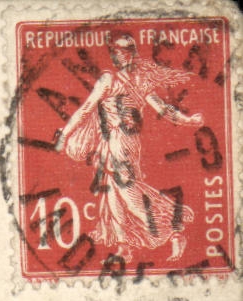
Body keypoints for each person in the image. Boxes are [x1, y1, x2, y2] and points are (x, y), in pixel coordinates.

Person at [54, 34, 204, 259]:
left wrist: (64, 134)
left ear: (130, 54)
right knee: (112, 194)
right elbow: (163, 109)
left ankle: (173, 232)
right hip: (118, 143)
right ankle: (124, 248)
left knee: (129, 195)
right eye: (114, 51)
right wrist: (188, 120)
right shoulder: (138, 81)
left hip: (120, 144)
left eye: (121, 51)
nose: (116, 55)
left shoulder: (110, 80)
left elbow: (86, 109)